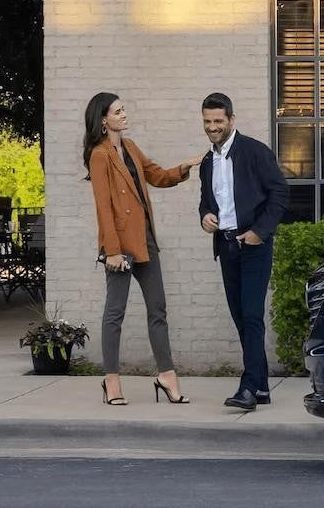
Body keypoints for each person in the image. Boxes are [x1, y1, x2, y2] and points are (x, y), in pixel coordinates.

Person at [82, 92, 202, 406]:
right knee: (115, 313)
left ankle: (167, 376)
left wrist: (183, 167)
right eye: (117, 111)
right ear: (103, 120)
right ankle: (111, 381)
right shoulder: (99, 155)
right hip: (120, 246)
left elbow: (157, 176)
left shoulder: (131, 147)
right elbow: (103, 206)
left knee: (158, 309)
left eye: (123, 109)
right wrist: (112, 250)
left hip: (145, 239)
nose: (124, 114)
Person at [195, 93, 288, 411]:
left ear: (231, 120)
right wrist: (205, 215)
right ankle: (261, 386)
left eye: (218, 121)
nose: (212, 127)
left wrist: (260, 232)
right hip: (226, 246)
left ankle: (248, 388)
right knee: (241, 318)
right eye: (207, 121)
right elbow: (207, 200)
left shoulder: (255, 151)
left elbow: (279, 192)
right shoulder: (207, 162)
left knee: (251, 316)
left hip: (253, 246)